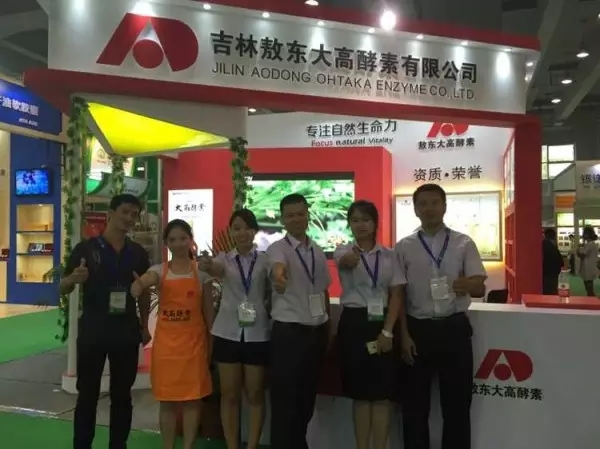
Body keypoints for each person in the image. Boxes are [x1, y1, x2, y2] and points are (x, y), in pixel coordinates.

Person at [395, 184, 486, 449]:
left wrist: (467, 284)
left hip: (453, 329)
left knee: (457, 406)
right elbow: (399, 295)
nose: (429, 208)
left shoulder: (463, 242)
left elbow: (479, 288)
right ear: (415, 209)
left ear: (444, 206)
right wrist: (404, 335)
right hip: (417, 330)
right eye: (423, 204)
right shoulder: (404, 246)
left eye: (435, 203)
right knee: (414, 407)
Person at [60, 194, 152, 449]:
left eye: (134, 214)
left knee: (122, 396)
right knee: (87, 395)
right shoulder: (86, 249)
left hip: (126, 331)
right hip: (94, 330)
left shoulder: (137, 253)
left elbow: (144, 292)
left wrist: (145, 325)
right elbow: (63, 287)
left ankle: (118, 445)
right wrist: (73, 279)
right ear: (110, 213)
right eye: (125, 212)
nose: (129, 218)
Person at [334, 200, 412, 449]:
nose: (361, 225)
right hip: (354, 324)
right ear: (349, 224)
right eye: (355, 220)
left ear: (375, 223)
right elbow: (346, 262)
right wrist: (354, 256)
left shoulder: (389, 255)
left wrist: (388, 332)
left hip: (383, 323)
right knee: (360, 396)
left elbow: (397, 295)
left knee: (382, 395)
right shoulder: (342, 251)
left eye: (366, 220)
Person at [130, 219, 213, 449]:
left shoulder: (202, 273)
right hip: (166, 348)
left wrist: (212, 342)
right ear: (166, 243)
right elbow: (147, 280)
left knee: (193, 401)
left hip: (194, 346)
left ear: (191, 241)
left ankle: (187, 446)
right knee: (166, 402)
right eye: (173, 239)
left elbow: (209, 312)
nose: (178, 244)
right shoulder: (159, 271)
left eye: (183, 238)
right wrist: (138, 285)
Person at [198, 209, 270, 449]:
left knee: (255, 394)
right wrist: (207, 264)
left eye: (247, 228)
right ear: (231, 232)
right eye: (237, 228)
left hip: (257, 334)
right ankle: (232, 445)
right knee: (229, 395)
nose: (242, 233)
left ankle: (252, 445)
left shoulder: (266, 260)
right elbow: (215, 268)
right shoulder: (225, 259)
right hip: (227, 333)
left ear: (255, 231)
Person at [266, 193, 332, 449]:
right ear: (282, 219)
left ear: (308, 215)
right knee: (284, 402)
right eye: (290, 215)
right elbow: (277, 268)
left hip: (316, 333)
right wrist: (279, 278)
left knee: (306, 400)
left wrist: (327, 327)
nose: (296, 219)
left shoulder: (317, 250)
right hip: (289, 335)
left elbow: (323, 290)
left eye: (300, 214)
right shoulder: (278, 249)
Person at [542, 228, 564, 295]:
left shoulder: (545, 244)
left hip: (549, 271)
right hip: (550, 271)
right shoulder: (548, 244)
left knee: (550, 288)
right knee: (550, 289)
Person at [578, 226, 598, 297]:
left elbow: (582, 255)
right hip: (589, 267)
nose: (583, 235)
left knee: (589, 287)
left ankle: (592, 300)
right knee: (588, 285)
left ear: (588, 234)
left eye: (584, 233)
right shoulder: (590, 244)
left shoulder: (590, 244)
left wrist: (578, 250)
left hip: (588, 268)